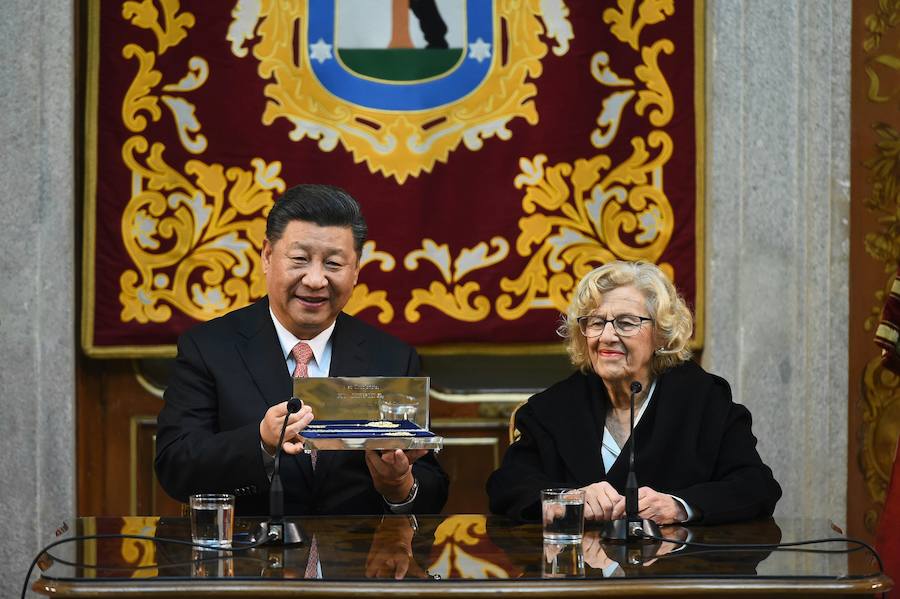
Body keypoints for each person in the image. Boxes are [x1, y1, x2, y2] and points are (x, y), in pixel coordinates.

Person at [155, 184, 448, 516]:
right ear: (267, 256)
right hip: (249, 559)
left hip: (357, 562)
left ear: (356, 271)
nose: (315, 279)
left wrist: (399, 487)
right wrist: (260, 442)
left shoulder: (392, 357)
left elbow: (432, 487)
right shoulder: (209, 348)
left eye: (334, 264)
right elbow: (175, 465)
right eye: (300, 259)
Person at [487, 261, 781, 525]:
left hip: (674, 572)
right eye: (596, 322)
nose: (607, 336)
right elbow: (507, 485)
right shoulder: (551, 409)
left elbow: (756, 485)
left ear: (661, 335)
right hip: (578, 576)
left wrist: (680, 507)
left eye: (626, 323)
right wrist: (567, 500)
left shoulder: (704, 400)